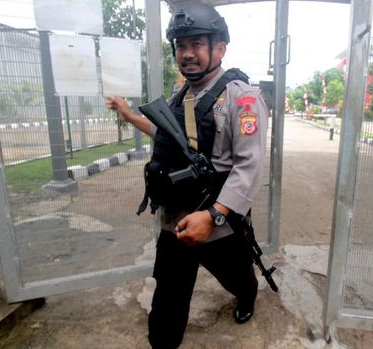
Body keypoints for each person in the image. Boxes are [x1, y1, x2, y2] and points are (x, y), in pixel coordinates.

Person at [106, 3, 269, 348]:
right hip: (175, 220)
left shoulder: (243, 99)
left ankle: (248, 296)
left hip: (219, 221)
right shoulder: (182, 96)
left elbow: (248, 166)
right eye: (181, 45)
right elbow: (167, 135)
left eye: (197, 44)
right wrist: (127, 114)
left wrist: (215, 216)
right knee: (167, 297)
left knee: (237, 277)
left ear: (220, 48)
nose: (187, 53)